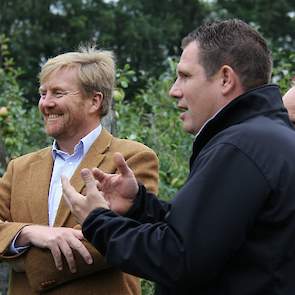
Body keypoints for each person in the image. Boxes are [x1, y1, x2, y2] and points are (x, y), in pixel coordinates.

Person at [62, 19, 295, 295]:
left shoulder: (240, 147)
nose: (174, 90)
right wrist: (139, 204)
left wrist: (97, 220)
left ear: (225, 79)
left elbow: (179, 259)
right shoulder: (267, 139)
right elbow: (212, 238)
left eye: (185, 76)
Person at [0, 46, 159, 294]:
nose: (46, 103)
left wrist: (22, 261)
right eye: (43, 93)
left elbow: (109, 242)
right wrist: (27, 233)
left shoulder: (130, 159)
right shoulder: (19, 168)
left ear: (94, 101)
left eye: (58, 93)